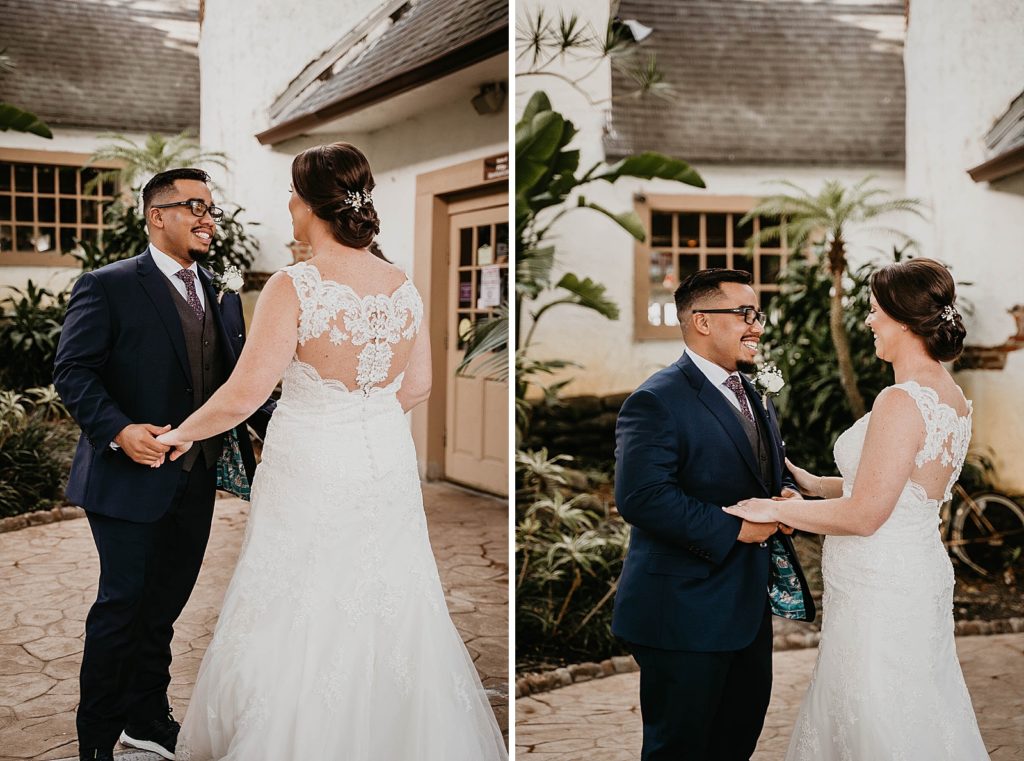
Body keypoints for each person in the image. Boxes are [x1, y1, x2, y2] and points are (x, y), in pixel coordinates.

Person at [156, 142, 507, 760]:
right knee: (390, 590)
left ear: (312, 206)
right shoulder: (403, 286)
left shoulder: (296, 285)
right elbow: (419, 385)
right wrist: (363, 414)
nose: (288, 204)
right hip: (383, 458)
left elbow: (245, 394)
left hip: (312, 461)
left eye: (292, 193)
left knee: (300, 593)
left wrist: (179, 432)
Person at [725, 258, 989, 760]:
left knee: (874, 708)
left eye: (873, 312)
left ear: (904, 321)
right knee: (917, 704)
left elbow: (864, 515)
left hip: (881, 584)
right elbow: (895, 488)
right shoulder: (951, 396)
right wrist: (808, 482)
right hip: (913, 572)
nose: (868, 322)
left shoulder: (900, 400)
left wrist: (771, 509)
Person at [53, 168, 275, 761]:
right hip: (126, 480)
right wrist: (119, 430)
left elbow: (237, 385)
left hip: (194, 478)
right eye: (194, 207)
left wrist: (295, 433)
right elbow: (73, 371)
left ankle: (148, 719)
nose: (208, 218)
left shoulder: (224, 295)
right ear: (157, 216)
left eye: (212, 208)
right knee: (121, 608)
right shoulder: (109, 285)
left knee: (163, 610)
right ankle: (96, 742)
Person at [612, 268, 814, 761]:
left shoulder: (753, 391)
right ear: (701, 321)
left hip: (745, 609)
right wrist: (739, 527)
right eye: (744, 314)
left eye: (757, 314)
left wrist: (784, 496)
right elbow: (642, 497)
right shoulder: (656, 399)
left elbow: (764, 473)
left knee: (735, 742)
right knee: (679, 750)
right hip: (683, 611)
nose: (757, 326)